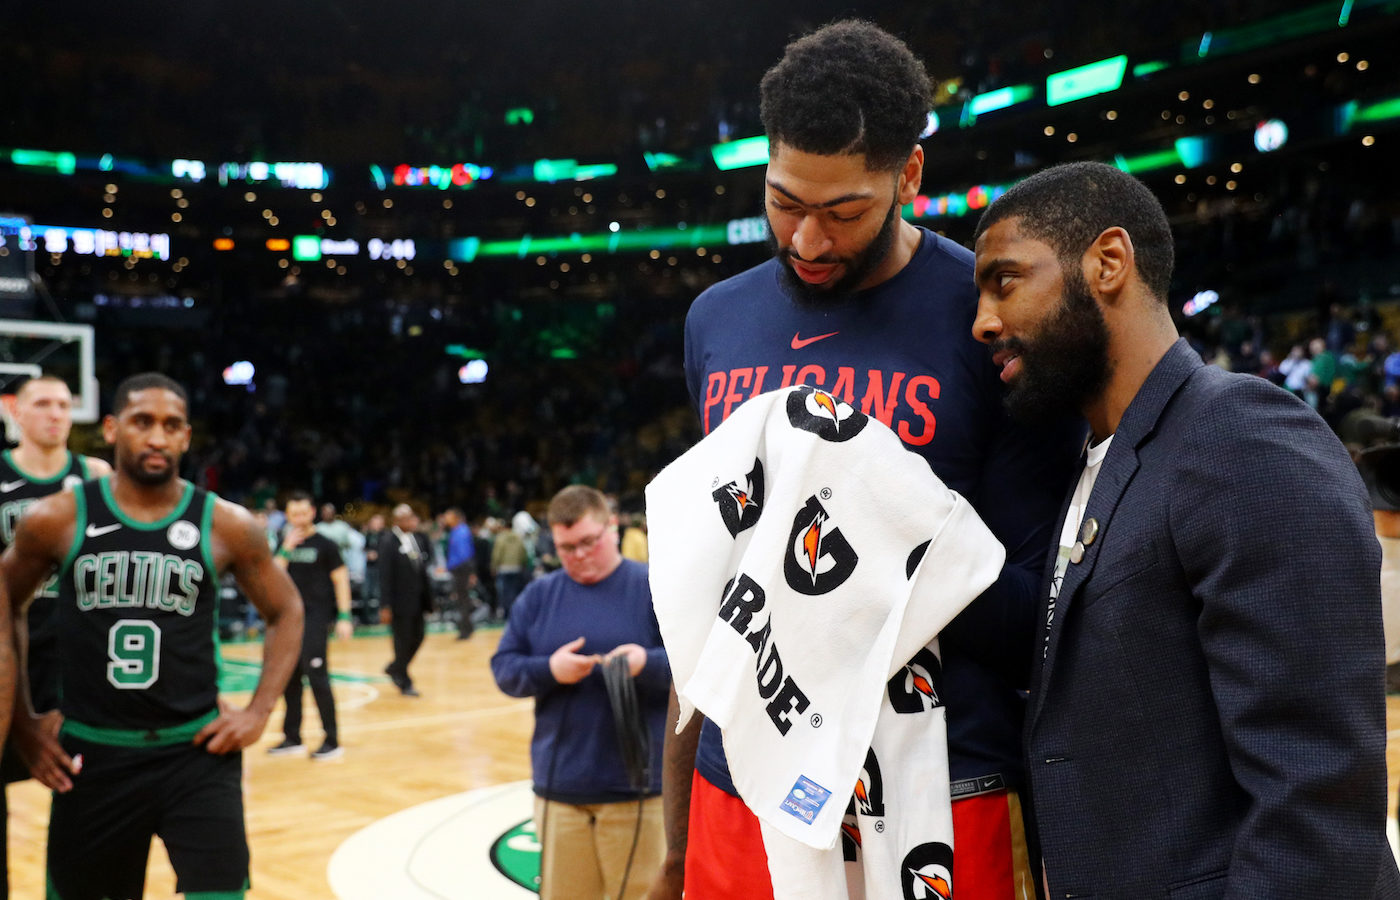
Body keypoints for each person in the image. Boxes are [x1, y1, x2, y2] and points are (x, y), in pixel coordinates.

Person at [658, 20, 1079, 900]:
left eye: (843, 212)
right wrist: (673, 838)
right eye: (784, 202)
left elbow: (1035, 608)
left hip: (940, 778)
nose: (808, 240)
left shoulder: (989, 318)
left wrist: (882, 527)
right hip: (744, 779)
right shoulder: (714, 322)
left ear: (909, 176)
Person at [970, 161, 1400, 898]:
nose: (982, 320)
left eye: (1004, 280)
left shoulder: (1240, 435)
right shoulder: (1093, 465)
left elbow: (1314, 804)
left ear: (1108, 263)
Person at [0, 372, 303, 900]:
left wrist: (258, 712)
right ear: (113, 429)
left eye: (171, 425)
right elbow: (7, 604)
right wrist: (23, 723)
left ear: (187, 437)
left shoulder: (226, 524)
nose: (158, 437)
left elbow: (287, 609)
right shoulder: (57, 519)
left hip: (196, 754)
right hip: (93, 757)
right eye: (143, 422)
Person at [491, 486, 669, 900]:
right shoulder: (539, 596)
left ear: (612, 527)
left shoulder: (652, 587)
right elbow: (504, 669)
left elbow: (696, 670)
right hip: (560, 789)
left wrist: (646, 663)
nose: (578, 555)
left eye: (588, 542)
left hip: (637, 791)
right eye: (565, 547)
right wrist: (549, 669)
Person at [0, 375, 112, 899]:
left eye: (64, 405)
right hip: (8, 652)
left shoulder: (95, 476)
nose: (55, 413)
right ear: (15, 413)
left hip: (75, 656)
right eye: (42, 403)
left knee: (87, 797)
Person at [268, 490, 354, 760]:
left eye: (303, 513)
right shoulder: (284, 542)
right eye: (293, 514)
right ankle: (292, 738)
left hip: (316, 618)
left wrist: (344, 617)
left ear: (312, 513)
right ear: (287, 515)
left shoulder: (326, 544)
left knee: (318, 678)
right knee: (290, 679)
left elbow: (341, 580)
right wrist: (286, 548)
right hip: (288, 620)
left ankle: (332, 740)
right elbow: (273, 576)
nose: (299, 518)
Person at [380, 503, 432, 697]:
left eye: (412, 517)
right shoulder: (388, 542)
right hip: (399, 603)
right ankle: (404, 681)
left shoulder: (416, 538)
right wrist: (385, 605)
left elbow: (422, 568)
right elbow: (384, 576)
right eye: (408, 518)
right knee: (402, 641)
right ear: (397, 521)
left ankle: (395, 667)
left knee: (418, 636)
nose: (413, 521)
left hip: (418, 600)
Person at [441, 507, 478, 639]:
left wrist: (468, 572)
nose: (445, 518)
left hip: (461, 570)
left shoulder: (461, 531)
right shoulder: (456, 531)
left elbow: (465, 555)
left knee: (462, 600)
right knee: (462, 600)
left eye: (448, 516)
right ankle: (467, 627)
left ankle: (465, 630)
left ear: (456, 517)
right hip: (459, 569)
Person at [490, 514, 530, 618]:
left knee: (504, 592)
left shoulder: (501, 538)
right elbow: (523, 552)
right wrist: (522, 564)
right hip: (516, 568)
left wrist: (494, 566)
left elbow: (497, 554)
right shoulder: (518, 538)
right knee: (515, 592)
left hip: (504, 568)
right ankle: (517, 613)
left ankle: (507, 614)